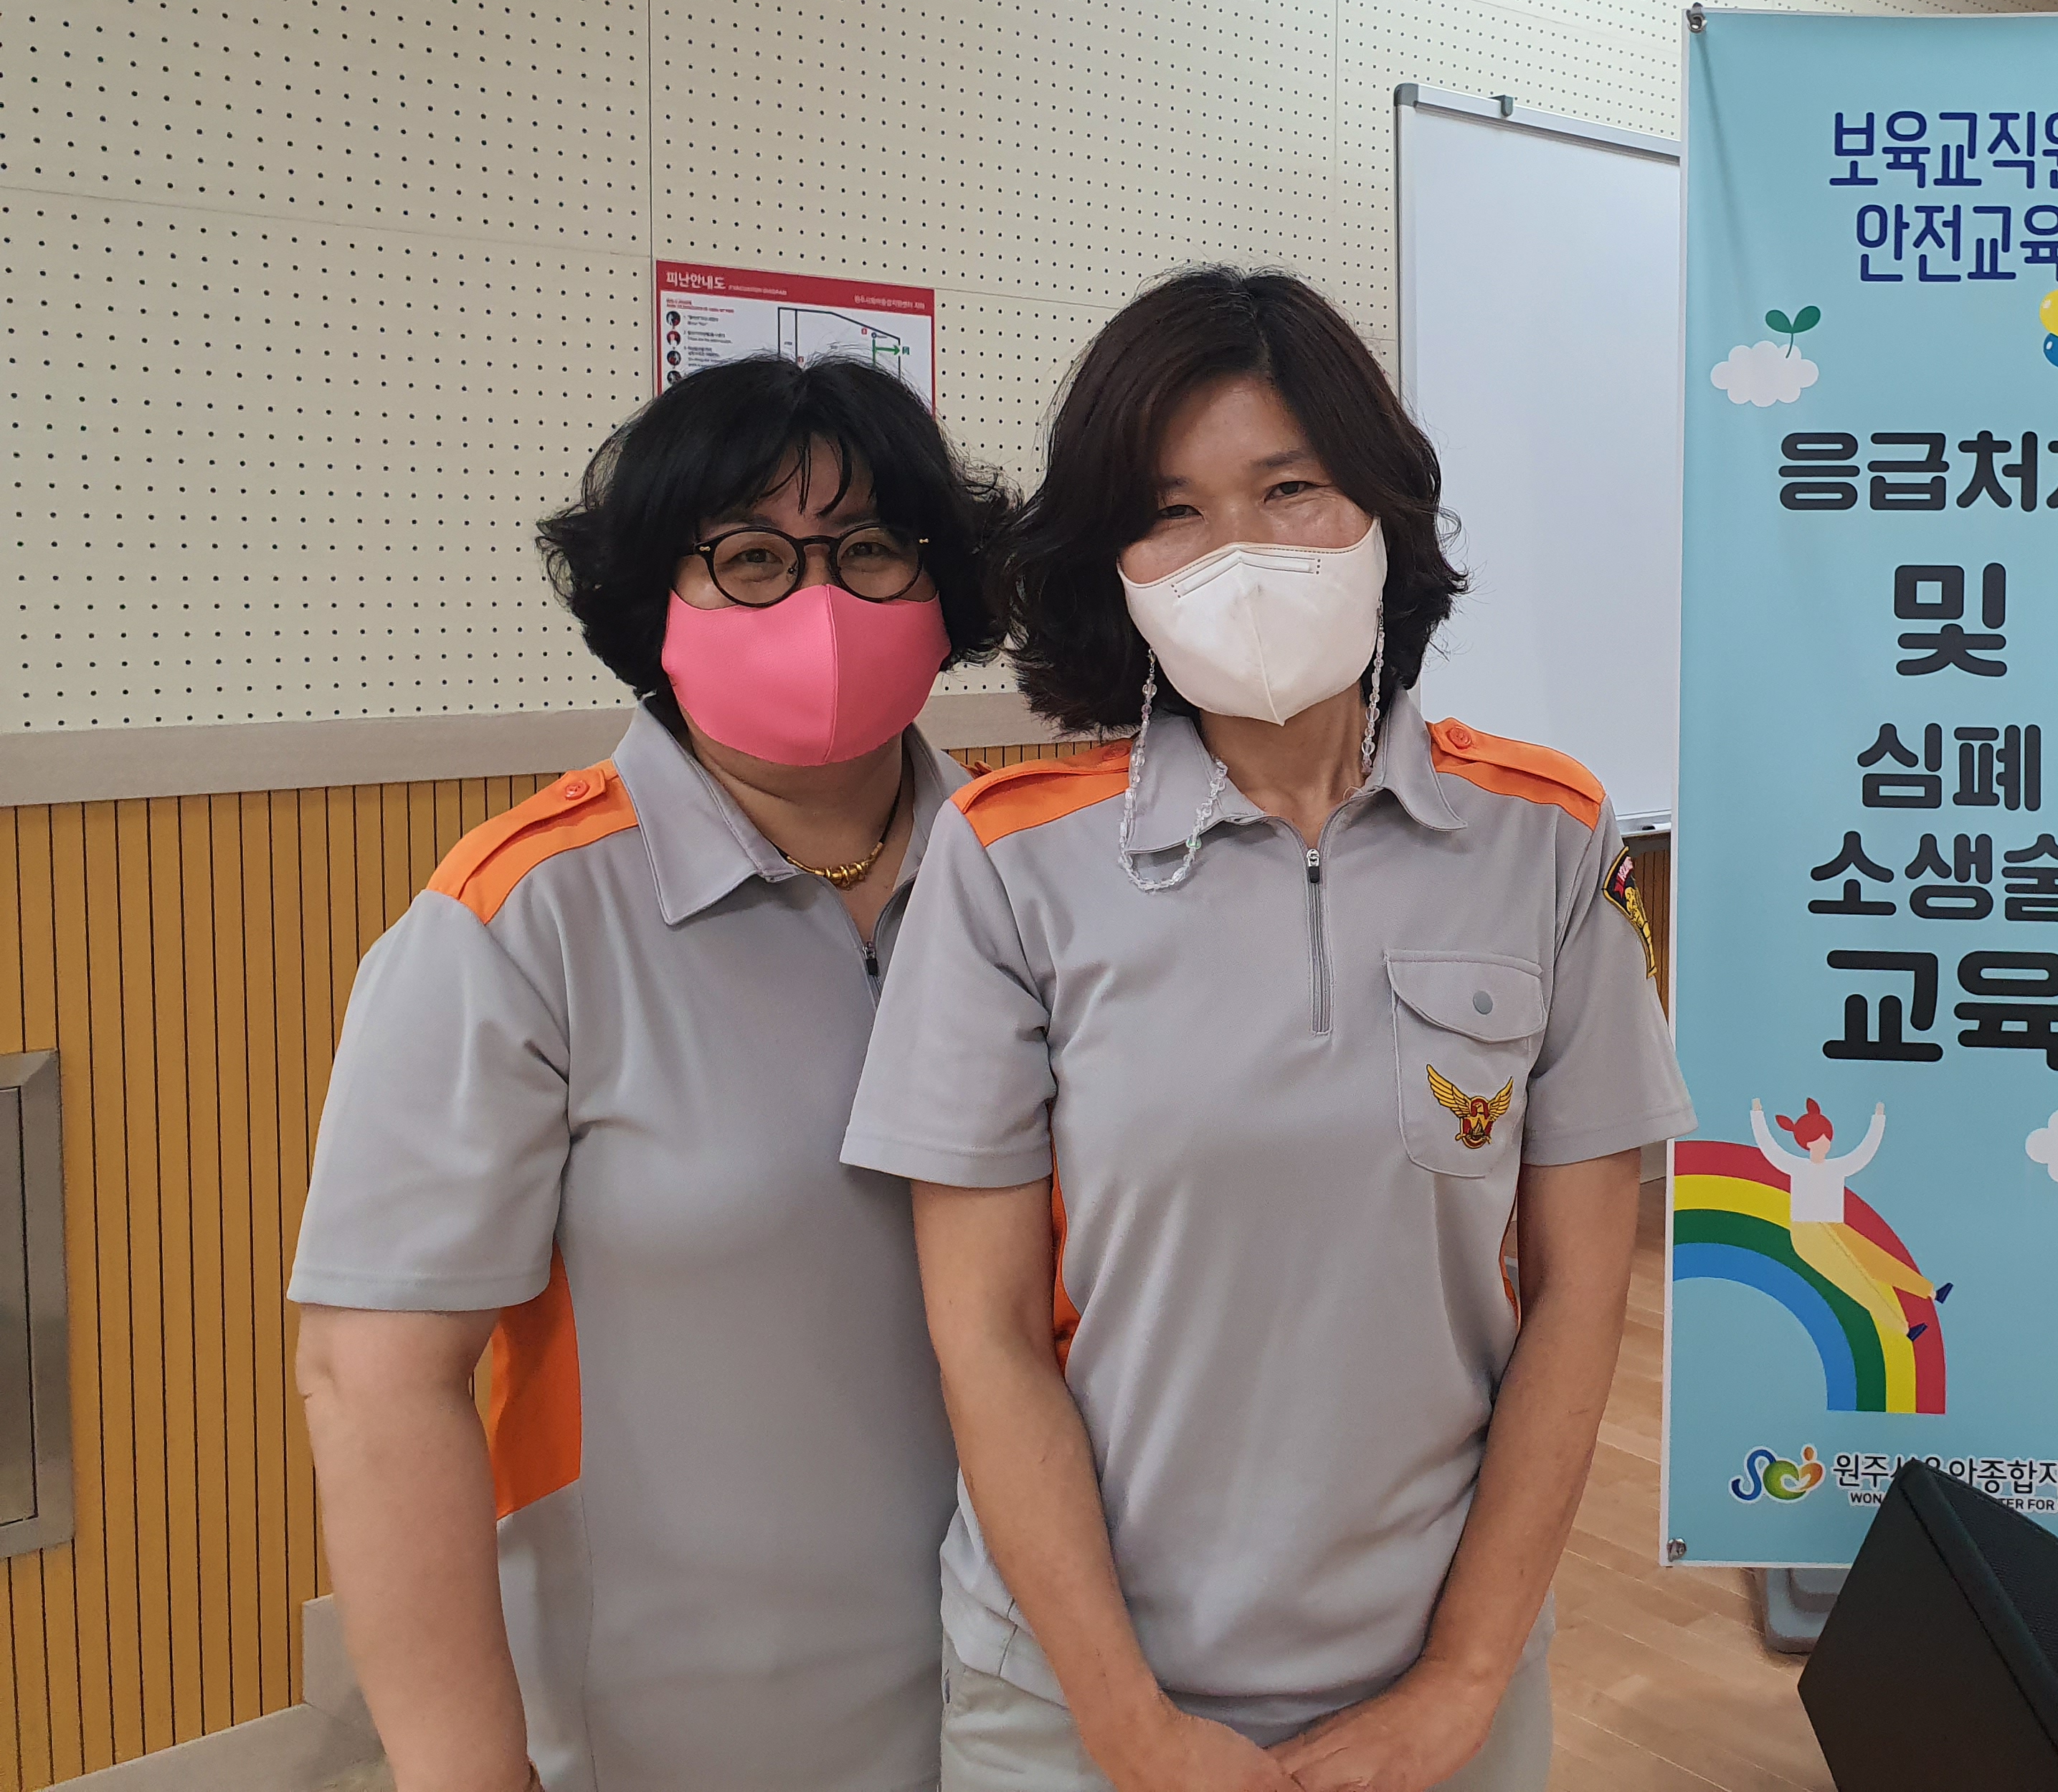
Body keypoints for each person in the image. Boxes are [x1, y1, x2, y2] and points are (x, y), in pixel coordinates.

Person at [844, 268, 1695, 1792]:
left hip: (1442, 1680)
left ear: (1381, 510)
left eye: (1288, 489)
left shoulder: (1545, 837)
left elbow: (1578, 1294)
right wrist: (1126, 1722)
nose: (1236, 552)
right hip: (1074, 1697)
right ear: (1112, 561)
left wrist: (1464, 1679)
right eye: (1169, 511)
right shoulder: (1010, 860)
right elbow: (984, 1332)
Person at [290, 358, 1012, 1792]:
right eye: (749, 556)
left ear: (943, 586)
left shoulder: (1037, 878)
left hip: (1032, 1697)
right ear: (652, 599)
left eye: (871, 546)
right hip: (672, 1726)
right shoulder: (518, 921)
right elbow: (373, 1384)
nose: (818, 598)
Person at [1750, 1096, 1949, 1351]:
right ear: (1808, 1143)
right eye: (1821, 1139)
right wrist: (1757, 1115)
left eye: (1827, 1138)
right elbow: (1771, 1150)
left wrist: (1878, 1119)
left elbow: (1864, 1154)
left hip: (1832, 1227)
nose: (1826, 1143)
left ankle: (1931, 1292)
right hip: (1809, 1234)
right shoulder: (1797, 1167)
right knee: (1858, 1281)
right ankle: (1904, 1328)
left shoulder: (1836, 1168)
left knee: (1876, 1260)